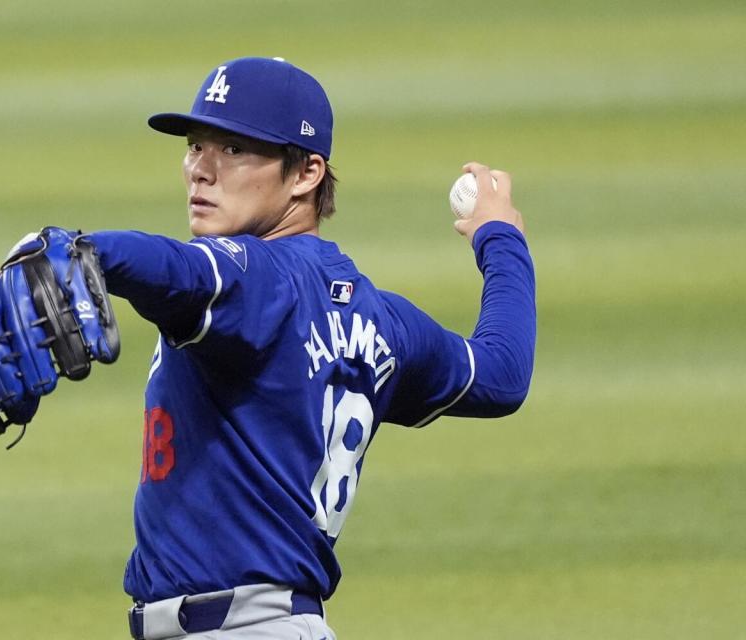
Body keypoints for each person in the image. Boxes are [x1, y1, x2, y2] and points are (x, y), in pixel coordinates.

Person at [77, 56, 535, 639]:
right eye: (195, 145)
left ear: (306, 173)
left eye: (235, 150)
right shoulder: (383, 320)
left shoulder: (253, 278)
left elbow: (175, 269)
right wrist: (501, 238)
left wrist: (81, 251)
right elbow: (501, 371)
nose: (200, 169)